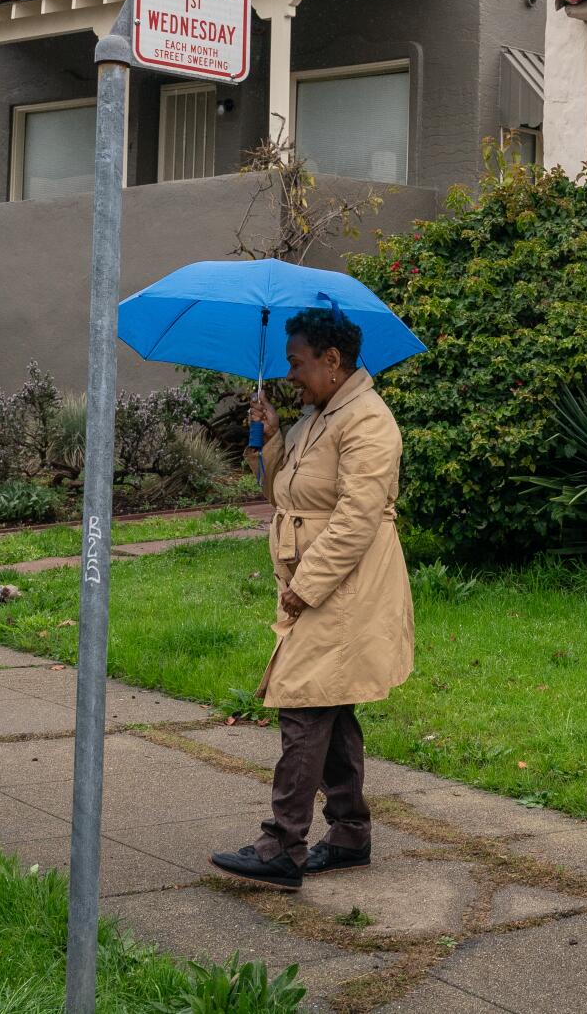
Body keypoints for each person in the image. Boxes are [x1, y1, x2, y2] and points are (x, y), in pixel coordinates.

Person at [209, 307, 414, 890]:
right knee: (332, 701)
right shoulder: (318, 416)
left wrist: (305, 586)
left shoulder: (368, 421)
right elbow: (282, 491)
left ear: (332, 360)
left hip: (344, 588)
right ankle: (349, 834)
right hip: (322, 584)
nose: (291, 373)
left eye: (297, 362)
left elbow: (357, 517)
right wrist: (272, 438)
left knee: (303, 701)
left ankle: (282, 844)